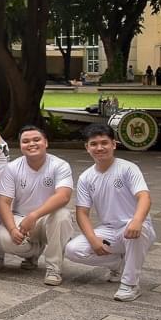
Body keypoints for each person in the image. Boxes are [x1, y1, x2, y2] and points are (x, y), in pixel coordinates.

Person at [65, 123, 154, 302]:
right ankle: (118, 264)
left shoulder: (128, 168)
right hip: (110, 230)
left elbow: (144, 197)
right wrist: (93, 240)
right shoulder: (86, 177)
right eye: (94, 144)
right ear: (87, 148)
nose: (99, 148)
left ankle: (130, 284)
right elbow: (82, 212)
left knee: (135, 230)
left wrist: (137, 221)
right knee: (73, 250)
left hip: (136, 228)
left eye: (104, 143)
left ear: (114, 144)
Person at [0, 125, 75, 286]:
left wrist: (34, 215)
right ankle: (33, 253)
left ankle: (54, 267)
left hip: (48, 219)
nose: (31, 144)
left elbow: (64, 196)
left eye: (36, 140)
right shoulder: (12, 168)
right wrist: (12, 229)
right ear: (20, 145)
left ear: (45, 142)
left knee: (62, 215)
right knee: (3, 238)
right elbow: (3, 202)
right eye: (25, 141)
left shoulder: (60, 165)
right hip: (22, 219)